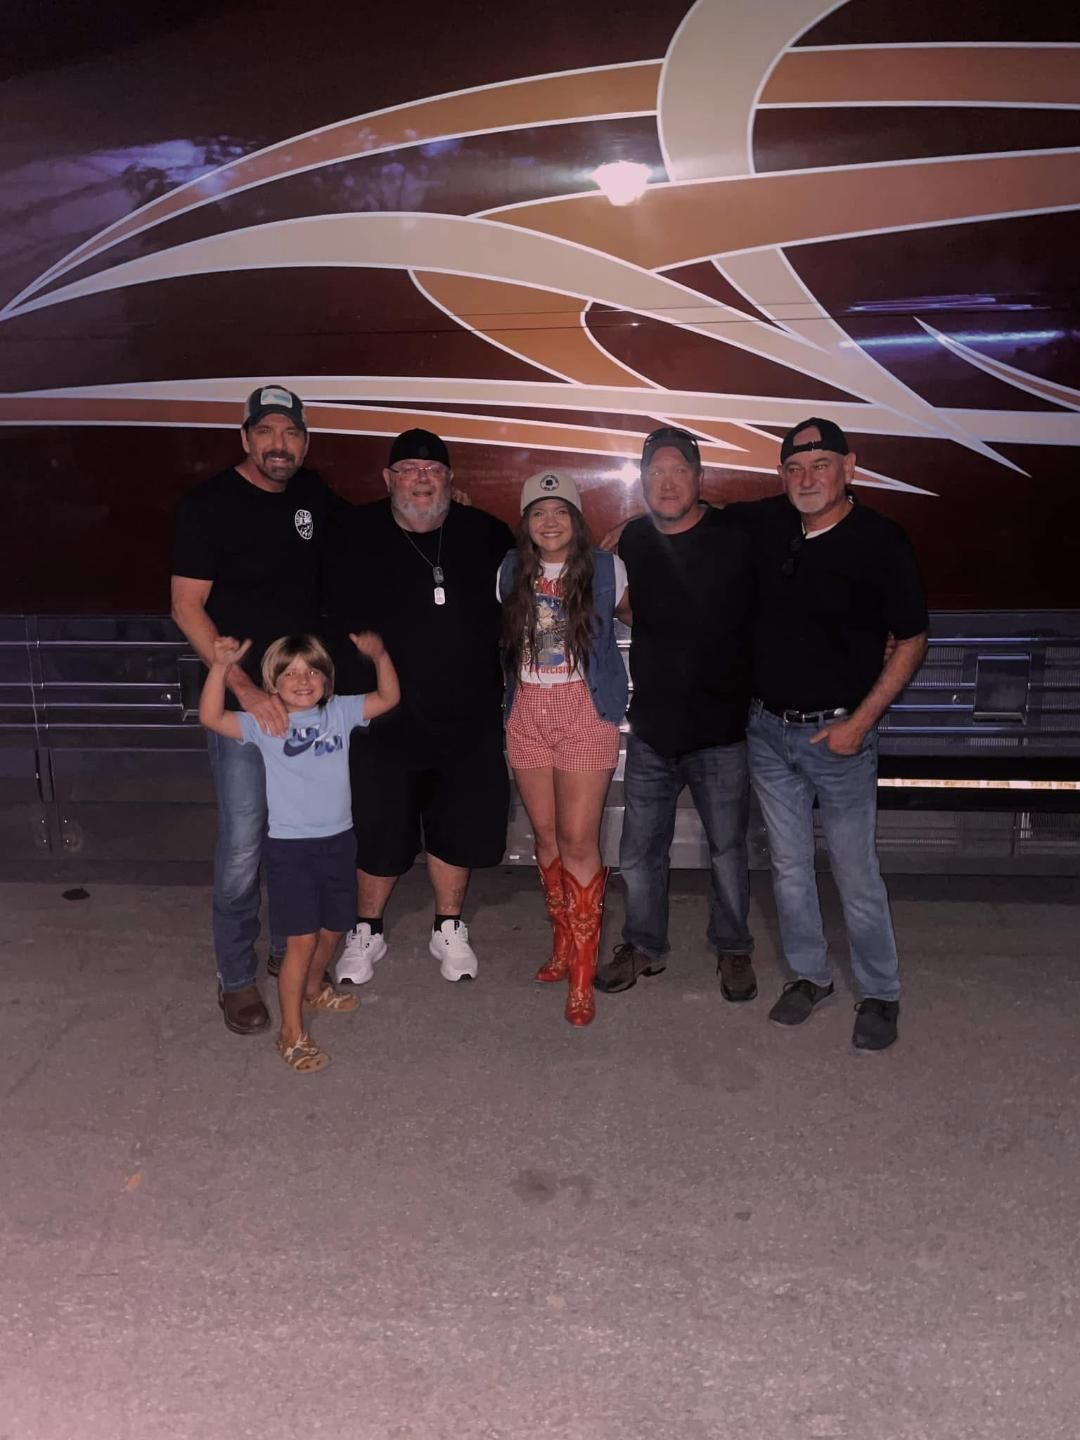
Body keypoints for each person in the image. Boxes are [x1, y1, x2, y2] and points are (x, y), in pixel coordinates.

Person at [745, 417, 928, 1053]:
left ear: (850, 468)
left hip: (840, 738)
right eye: (794, 469)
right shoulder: (771, 525)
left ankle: (879, 992)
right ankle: (809, 976)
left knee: (855, 872)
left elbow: (912, 640)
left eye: (821, 466)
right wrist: (625, 530)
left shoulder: (881, 541)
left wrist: (860, 723)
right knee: (789, 868)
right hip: (768, 733)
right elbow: (698, 516)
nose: (807, 479)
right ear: (781, 477)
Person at [171, 385, 345, 1035]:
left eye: (291, 433)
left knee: (300, 837)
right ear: (244, 438)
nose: (279, 444)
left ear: (305, 441)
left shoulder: (313, 496)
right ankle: (237, 977)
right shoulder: (208, 506)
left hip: (305, 704)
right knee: (244, 844)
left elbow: (365, 537)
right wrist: (245, 690)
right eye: (266, 431)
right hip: (246, 710)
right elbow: (186, 606)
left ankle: (287, 948)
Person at [323, 429, 514, 984]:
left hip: (466, 718)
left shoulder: (486, 533)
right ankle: (367, 930)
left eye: (433, 471)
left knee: (457, 824)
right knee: (377, 829)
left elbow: (547, 563)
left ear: (451, 481)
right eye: (408, 470)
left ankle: (448, 925)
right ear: (388, 480)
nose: (421, 480)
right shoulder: (350, 531)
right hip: (381, 720)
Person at [595, 427, 757, 1002]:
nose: (666, 483)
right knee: (639, 853)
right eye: (655, 473)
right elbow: (623, 605)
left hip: (721, 732)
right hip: (652, 731)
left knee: (728, 852)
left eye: (679, 471)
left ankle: (733, 948)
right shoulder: (635, 540)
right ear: (642, 481)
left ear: (699, 478)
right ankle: (643, 945)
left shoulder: (735, 536)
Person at [199, 629, 399, 1071]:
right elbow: (212, 717)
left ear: (327, 680)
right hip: (291, 850)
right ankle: (291, 1033)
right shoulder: (265, 722)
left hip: (339, 841)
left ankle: (312, 989)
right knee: (301, 941)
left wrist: (380, 655)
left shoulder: (340, 712)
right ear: (272, 684)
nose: (302, 680)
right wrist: (220, 668)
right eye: (289, 673)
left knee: (334, 928)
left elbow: (388, 698)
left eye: (311, 671)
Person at [497, 470, 630, 1026]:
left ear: (576, 519)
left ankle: (582, 972)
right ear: (526, 523)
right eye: (538, 513)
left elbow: (650, 619)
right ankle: (561, 943)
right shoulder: (509, 571)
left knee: (578, 839)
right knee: (546, 836)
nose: (549, 522)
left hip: (584, 708)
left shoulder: (606, 569)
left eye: (559, 512)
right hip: (527, 709)